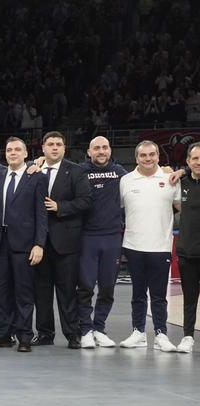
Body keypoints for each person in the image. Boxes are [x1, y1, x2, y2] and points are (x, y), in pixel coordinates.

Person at [0, 137, 48, 352]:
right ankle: (3, 335)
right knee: (2, 292)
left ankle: (25, 336)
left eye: (18, 149)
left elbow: (41, 213)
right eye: (9, 150)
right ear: (4, 153)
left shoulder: (36, 178)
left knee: (24, 292)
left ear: (26, 154)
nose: (13, 153)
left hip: (25, 244)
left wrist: (39, 244)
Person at [30, 131, 91, 349]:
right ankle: (45, 333)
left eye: (59, 144)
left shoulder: (76, 171)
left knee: (67, 292)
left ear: (64, 148)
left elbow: (85, 201)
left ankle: (72, 334)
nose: (55, 148)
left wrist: (61, 207)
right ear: (43, 148)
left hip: (66, 242)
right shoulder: (33, 170)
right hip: (39, 243)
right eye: (50, 144)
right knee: (41, 292)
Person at [118, 141, 181, 352]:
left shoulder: (170, 179)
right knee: (137, 293)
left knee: (158, 294)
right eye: (143, 155)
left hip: (161, 246)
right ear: (136, 158)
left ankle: (161, 334)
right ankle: (138, 332)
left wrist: (181, 171)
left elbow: (183, 207)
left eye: (152, 154)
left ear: (158, 156)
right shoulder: (125, 181)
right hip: (133, 246)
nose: (148, 158)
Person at [75, 136, 124, 349]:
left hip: (112, 237)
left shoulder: (121, 172)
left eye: (104, 147)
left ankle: (99, 328)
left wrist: (175, 171)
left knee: (107, 287)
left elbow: (149, 174)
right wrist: (36, 162)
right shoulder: (78, 171)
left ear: (110, 150)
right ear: (89, 151)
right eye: (96, 148)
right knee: (85, 286)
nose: (101, 151)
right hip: (87, 237)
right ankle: (85, 329)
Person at [175, 142, 200, 353]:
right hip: (187, 253)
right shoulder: (180, 183)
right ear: (188, 161)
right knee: (189, 299)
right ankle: (188, 337)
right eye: (195, 158)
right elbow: (163, 172)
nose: (199, 162)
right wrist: (179, 172)